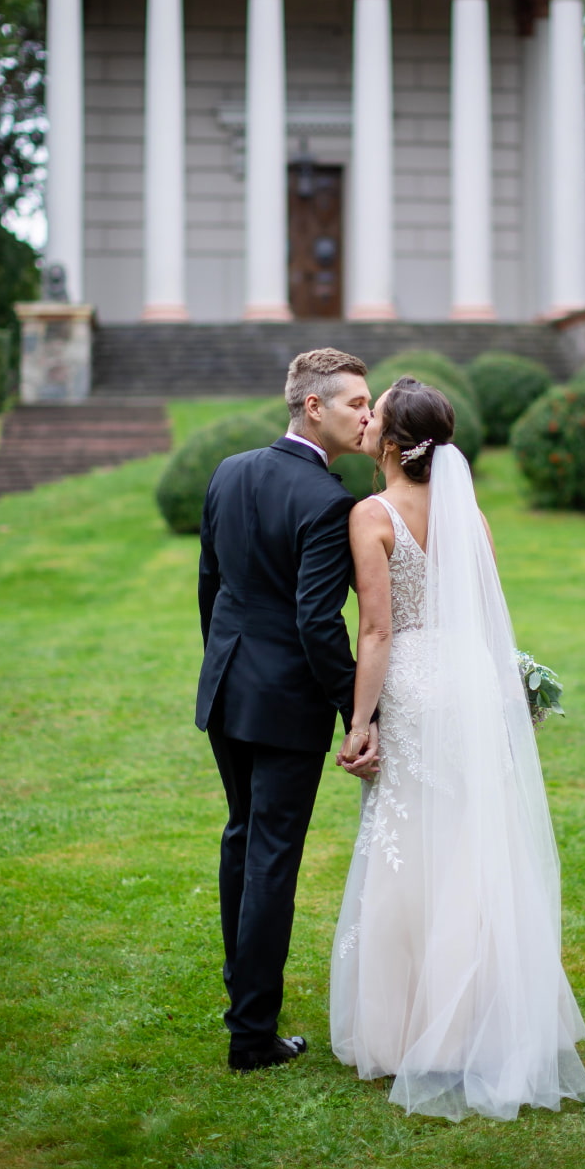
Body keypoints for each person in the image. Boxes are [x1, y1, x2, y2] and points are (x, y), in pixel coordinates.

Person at [331, 377, 585, 1119]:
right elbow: (487, 617)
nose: (365, 419)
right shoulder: (469, 516)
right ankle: (479, 1018)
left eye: (372, 412)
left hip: (415, 686)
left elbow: (378, 632)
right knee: (471, 843)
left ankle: (408, 1029)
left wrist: (359, 721)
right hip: (472, 683)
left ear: (387, 442)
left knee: (408, 843)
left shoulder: (371, 515)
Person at [197, 347, 378, 1073]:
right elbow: (316, 621)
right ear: (313, 406)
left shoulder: (228, 470)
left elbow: (212, 588)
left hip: (226, 684)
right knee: (270, 856)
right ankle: (250, 1035)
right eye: (355, 404)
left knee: (242, 840)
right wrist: (354, 710)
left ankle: (243, 1000)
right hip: (285, 702)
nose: (366, 415)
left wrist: (222, 665)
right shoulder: (328, 501)